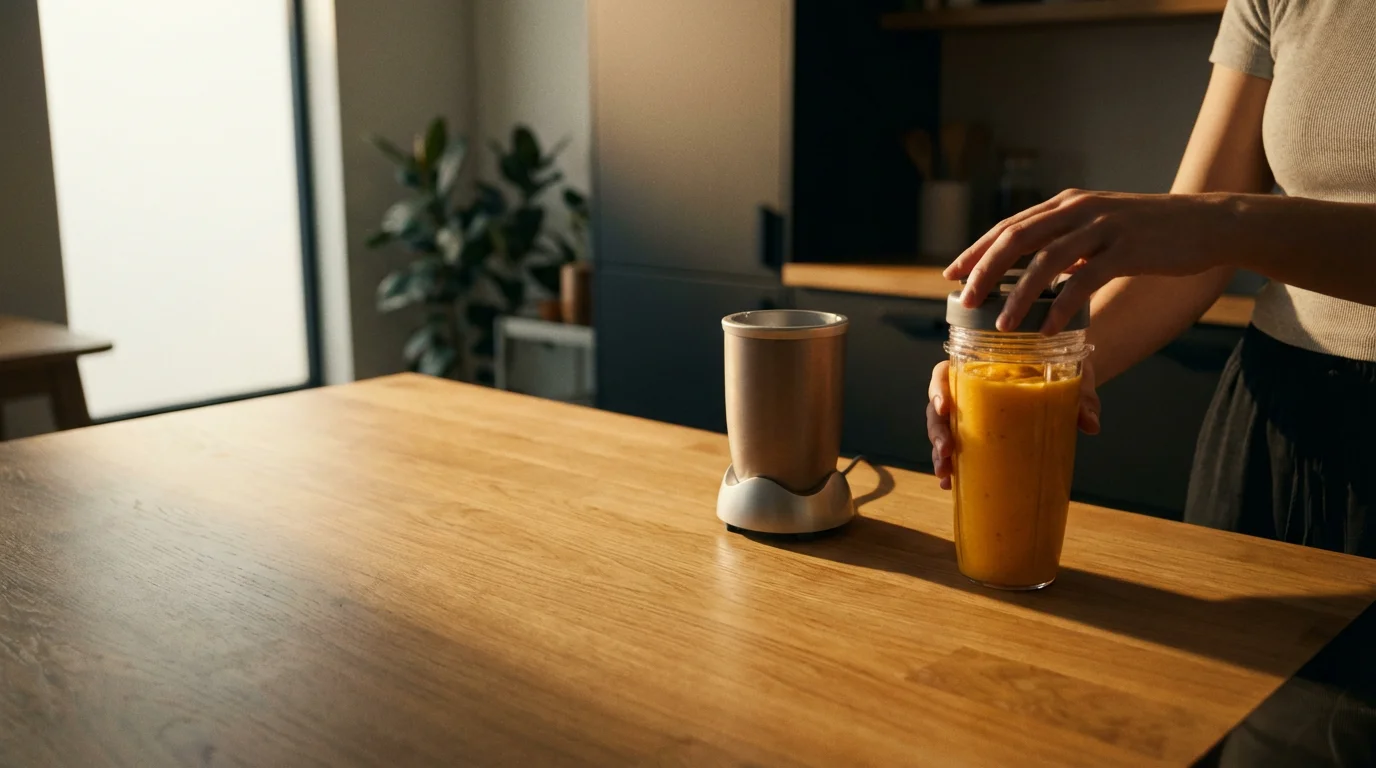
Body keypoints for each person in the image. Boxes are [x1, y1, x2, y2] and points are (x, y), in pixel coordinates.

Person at [925, 0, 1376, 557]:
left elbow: (1212, 229)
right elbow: (1193, 259)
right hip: (1275, 412)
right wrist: (1041, 360)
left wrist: (1221, 221)